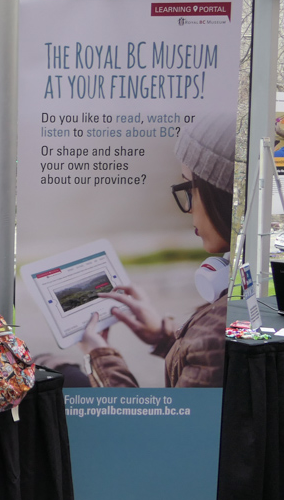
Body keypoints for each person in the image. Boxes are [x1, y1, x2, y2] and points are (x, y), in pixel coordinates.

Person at [79, 112, 235, 388]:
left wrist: (99, 356)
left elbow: (155, 430)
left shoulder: (218, 333)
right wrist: (164, 337)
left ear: (221, 194)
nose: (188, 207)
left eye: (190, 187)